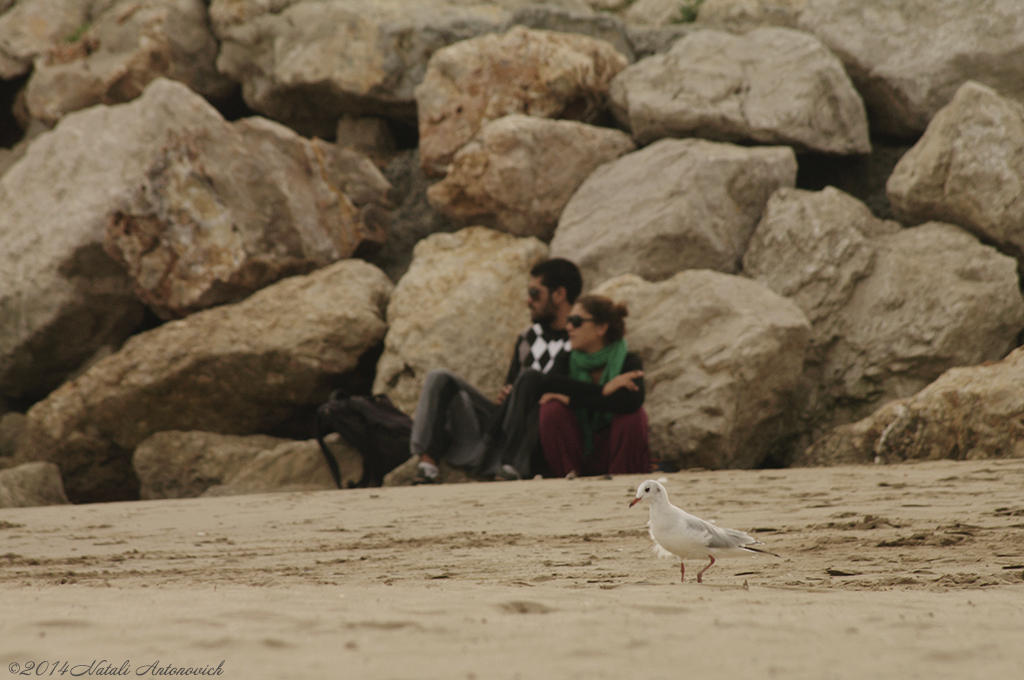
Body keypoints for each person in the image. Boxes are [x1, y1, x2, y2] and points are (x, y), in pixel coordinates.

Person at [410, 258, 583, 484]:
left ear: (559, 294)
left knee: (533, 384)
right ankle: (427, 467)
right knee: (439, 378)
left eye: (535, 293)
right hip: (503, 425)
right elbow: (509, 386)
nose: (528, 300)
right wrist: (507, 394)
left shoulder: (578, 340)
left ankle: (511, 467)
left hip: (537, 436)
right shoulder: (527, 337)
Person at [537, 294, 650, 478]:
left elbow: (632, 402)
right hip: (579, 446)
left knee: (633, 417)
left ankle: (623, 479)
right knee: (551, 409)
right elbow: (547, 383)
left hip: (612, 450)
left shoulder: (628, 361)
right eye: (568, 321)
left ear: (601, 328)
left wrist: (572, 400)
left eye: (576, 321)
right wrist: (604, 390)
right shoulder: (566, 359)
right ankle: (567, 476)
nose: (568, 327)